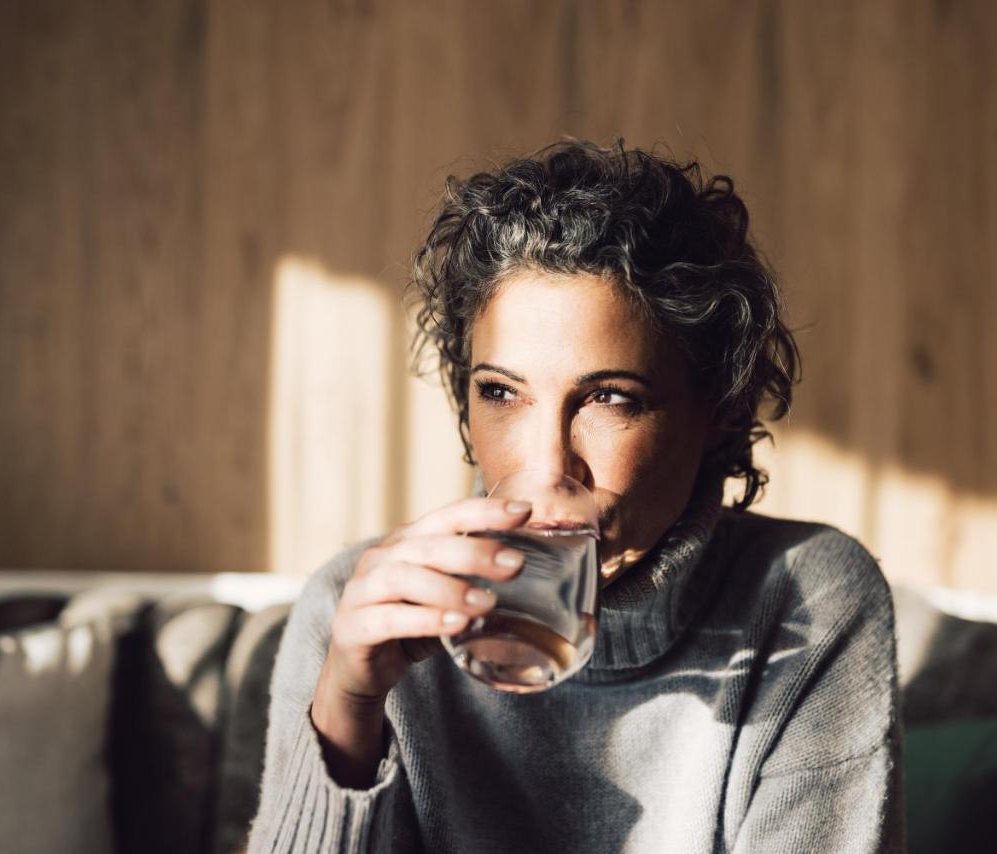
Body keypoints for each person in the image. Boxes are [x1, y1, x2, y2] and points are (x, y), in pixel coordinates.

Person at [247, 139, 904, 853]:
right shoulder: (359, 613)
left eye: (611, 398)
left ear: (718, 406)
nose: (548, 464)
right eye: (500, 392)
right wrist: (346, 711)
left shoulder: (806, 600)